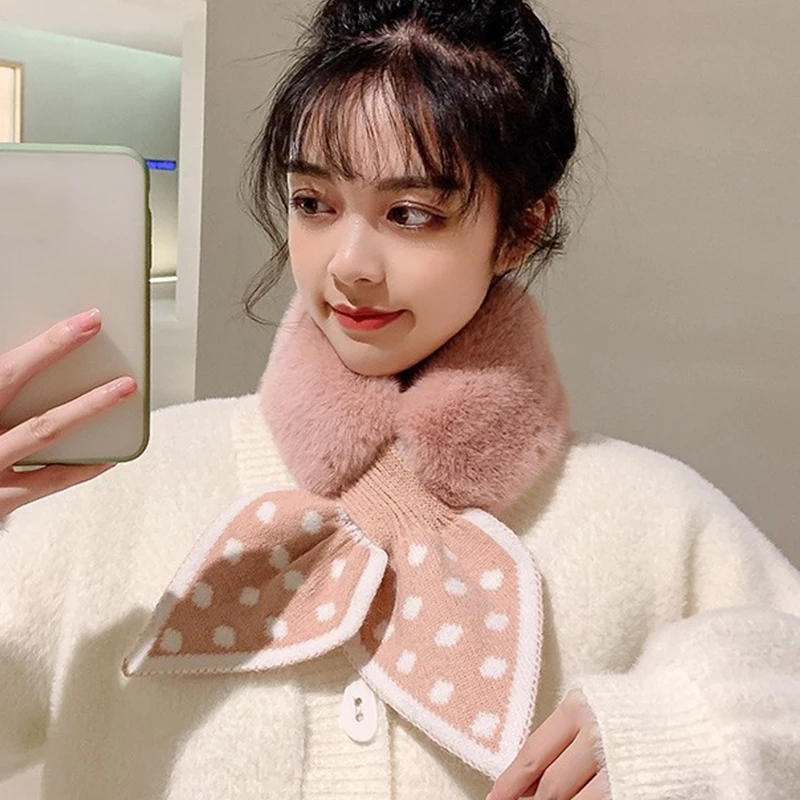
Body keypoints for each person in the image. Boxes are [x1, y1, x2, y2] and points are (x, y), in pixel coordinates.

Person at [2, 0, 799, 798]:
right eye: (313, 203)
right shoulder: (112, 490)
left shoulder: (654, 521)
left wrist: (697, 735)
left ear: (522, 227)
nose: (349, 264)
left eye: (410, 213)